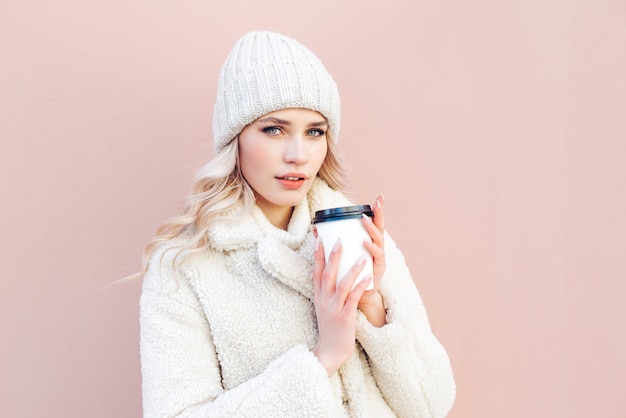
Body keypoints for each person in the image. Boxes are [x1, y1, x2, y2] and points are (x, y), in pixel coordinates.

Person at [139, 31, 455, 417]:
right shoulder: (184, 265)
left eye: (314, 132)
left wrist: (372, 309)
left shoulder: (358, 236)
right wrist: (323, 359)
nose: (298, 155)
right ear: (235, 137)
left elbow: (432, 405)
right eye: (274, 129)